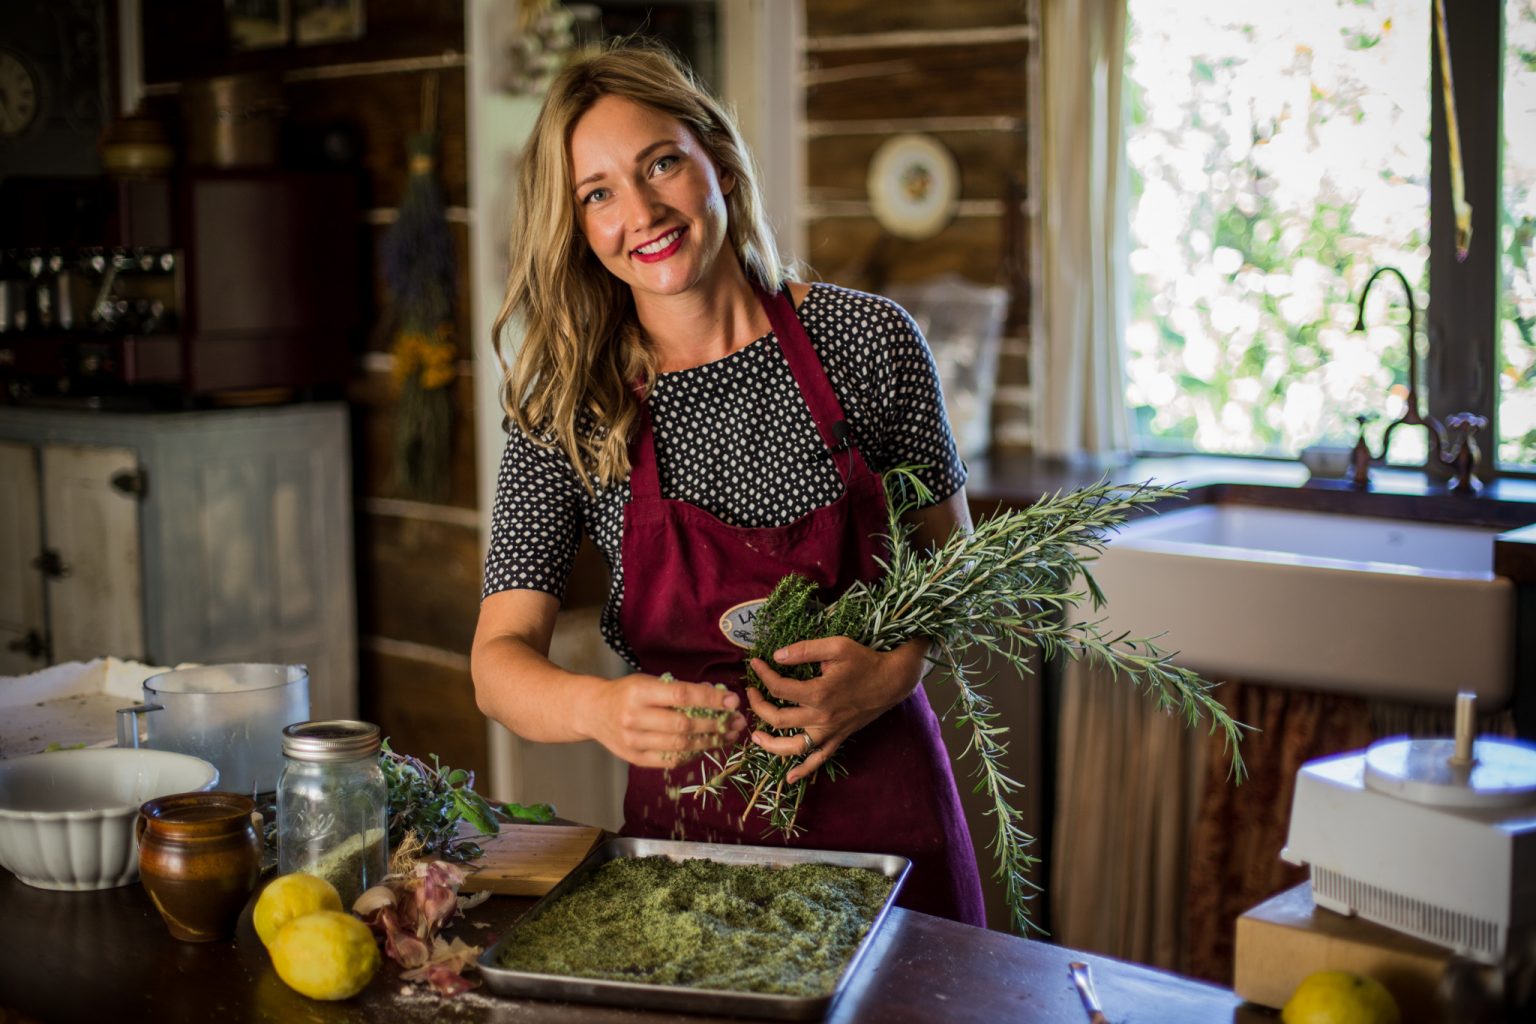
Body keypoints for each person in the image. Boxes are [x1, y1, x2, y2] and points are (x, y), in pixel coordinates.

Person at [471, 42, 985, 927]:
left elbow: (958, 567)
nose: (641, 211)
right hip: (688, 847)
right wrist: (597, 707)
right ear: (580, 227)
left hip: (889, 827)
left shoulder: (866, 343)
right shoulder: (571, 404)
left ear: (717, 158)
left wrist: (894, 670)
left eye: (660, 162)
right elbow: (498, 662)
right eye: (598, 193)